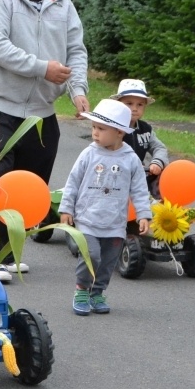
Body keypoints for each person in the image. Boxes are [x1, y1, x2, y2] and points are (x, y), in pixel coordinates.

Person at [0, 0, 90, 281]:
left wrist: (78, 90)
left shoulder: (62, 2)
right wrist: (44, 69)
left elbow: (76, 50)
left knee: (30, 187)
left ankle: (10, 252)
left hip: (42, 113)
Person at [57, 99, 152, 316]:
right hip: (88, 218)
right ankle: (82, 290)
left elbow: (138, 188)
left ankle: (97, 292)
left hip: (115, 222)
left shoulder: (130, 159)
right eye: (93, 128)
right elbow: (72, 182)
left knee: (108, 261)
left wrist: (143, 214)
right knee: (91, 255)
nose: (95, 133)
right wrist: (66, 209)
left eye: (101, 128)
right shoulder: (89, 154)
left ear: (119, 132)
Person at [110, 79, 169, 199]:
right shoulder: (112, 128)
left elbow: (159, 147)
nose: (135, 108)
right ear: (118, 104)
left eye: (140, 104)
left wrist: (157, 162)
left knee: (165, 180)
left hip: (141, 177)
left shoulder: (145, 129)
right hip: (116, 177)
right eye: (129, 103)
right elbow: (105, 152)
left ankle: (157, 207)